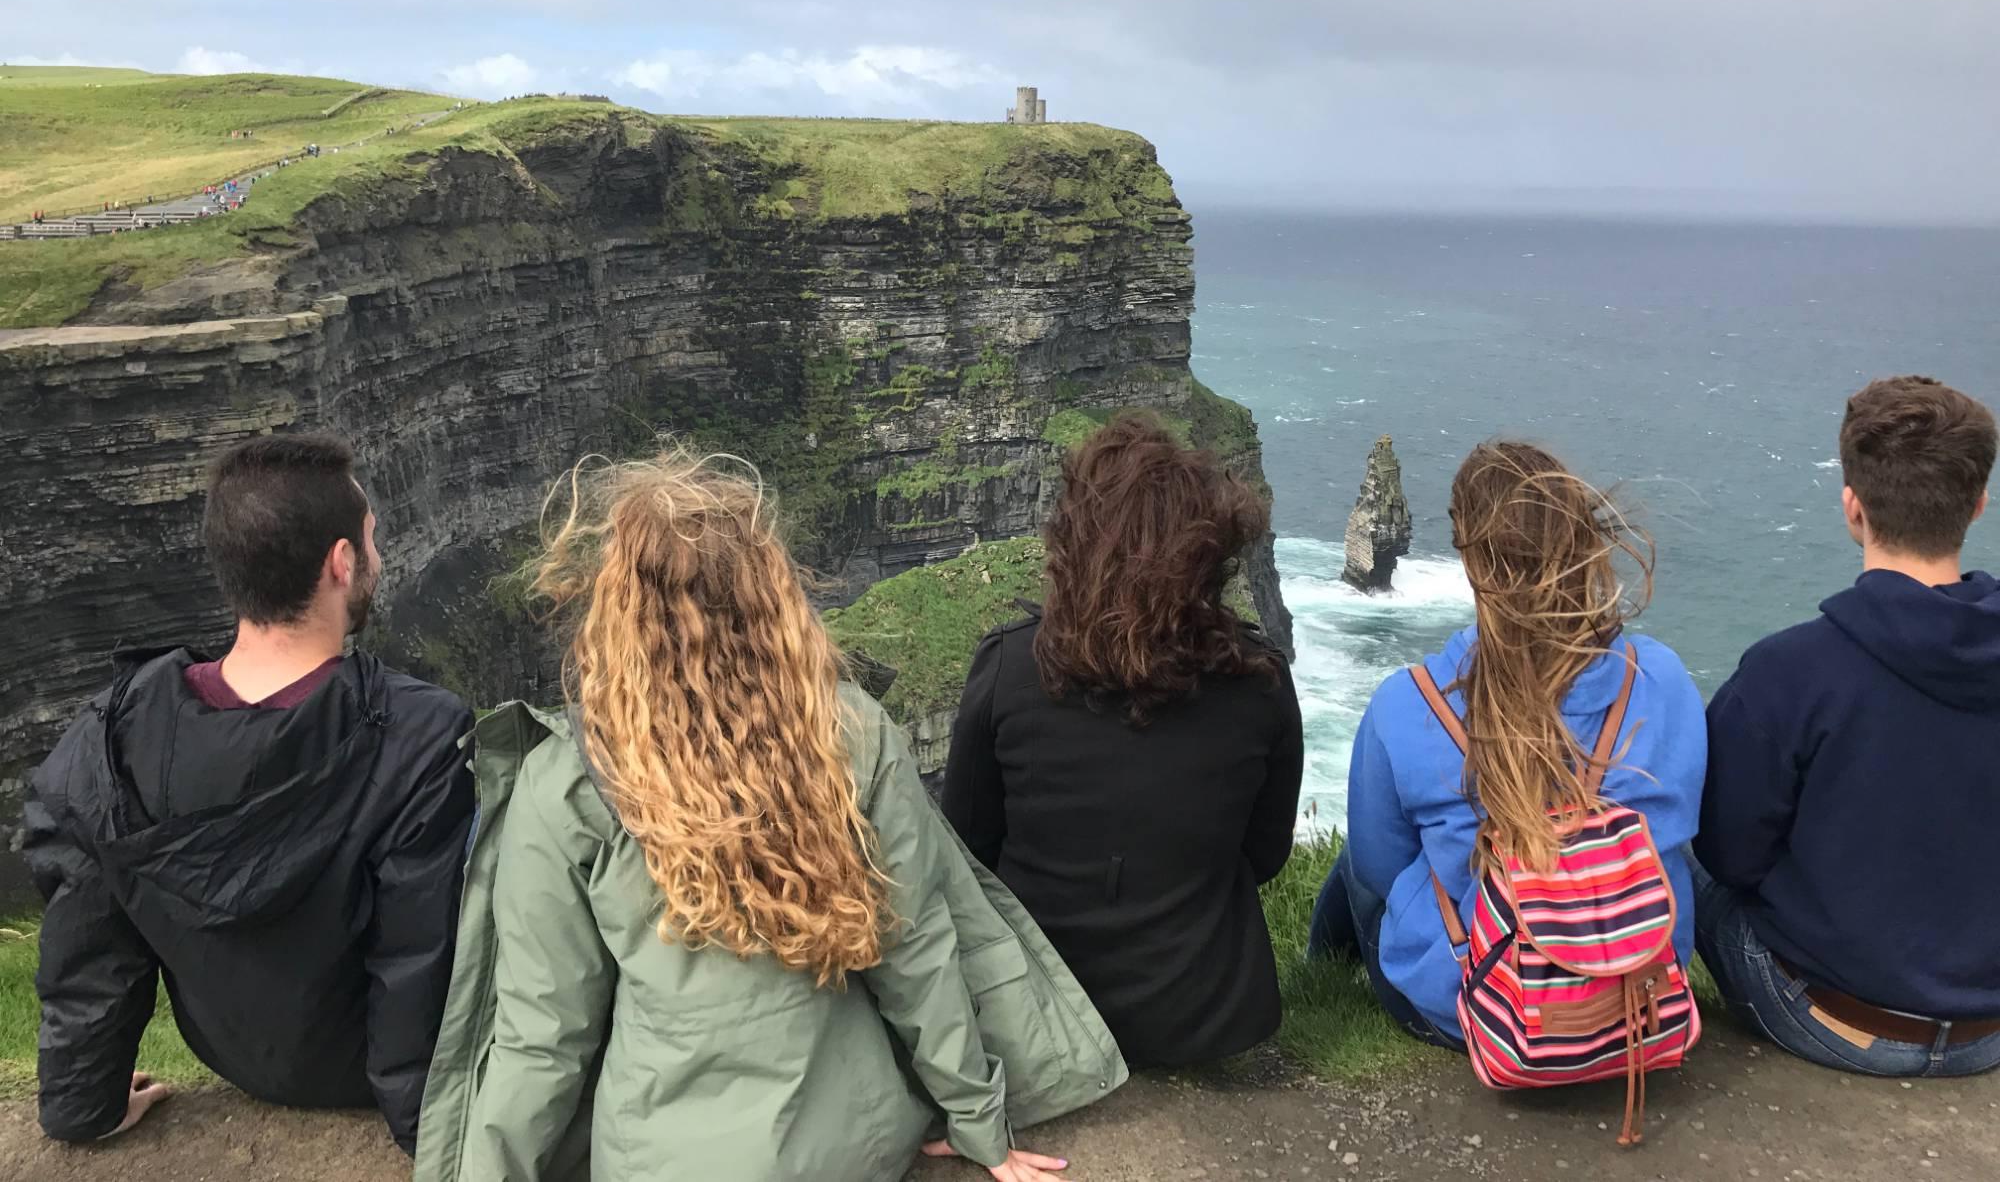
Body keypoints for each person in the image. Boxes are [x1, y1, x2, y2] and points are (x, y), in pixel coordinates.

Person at [415, 451, 1123, 1182]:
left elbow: (542, 1039)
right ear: (771, 593)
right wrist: (980, 1123)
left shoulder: (565, 784)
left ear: (614, 607)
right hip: (851, 1144)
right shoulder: (850, 737)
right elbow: (917, 957)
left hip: (661, 1160)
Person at [26, 432, 475, 1152]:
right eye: (371, 541)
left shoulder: (117, 733)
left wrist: (86, 1102)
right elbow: (417, 955)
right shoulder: (418, 733)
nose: (380, 559)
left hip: (232, 1057)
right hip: (357, 1069)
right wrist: (431, 1130)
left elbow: (88, 933)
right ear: (341, 563)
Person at [1308, 441, 1706, 1047]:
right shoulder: (1661, 678)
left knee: (1359, 862)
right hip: (1640, 998)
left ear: (1469, 561)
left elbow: (1381, 870)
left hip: (1474, 1005)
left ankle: (1318, 976)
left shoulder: (1408, 702)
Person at [941, 413, 1303, 1069]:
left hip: (1041, 1005)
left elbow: (969, 846)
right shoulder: (1258, 681)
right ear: (1207, 555)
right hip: (1203, 1014)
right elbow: (1266, 852)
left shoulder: (1008, 667)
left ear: (1075, 541)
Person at [1694, 375, 2000, 1077]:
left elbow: (1728, 853)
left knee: (1674, 861)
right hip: (1987, 1029)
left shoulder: (1789, 670)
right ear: (1977, 504)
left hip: (1837, 1019)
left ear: (1852, 510)